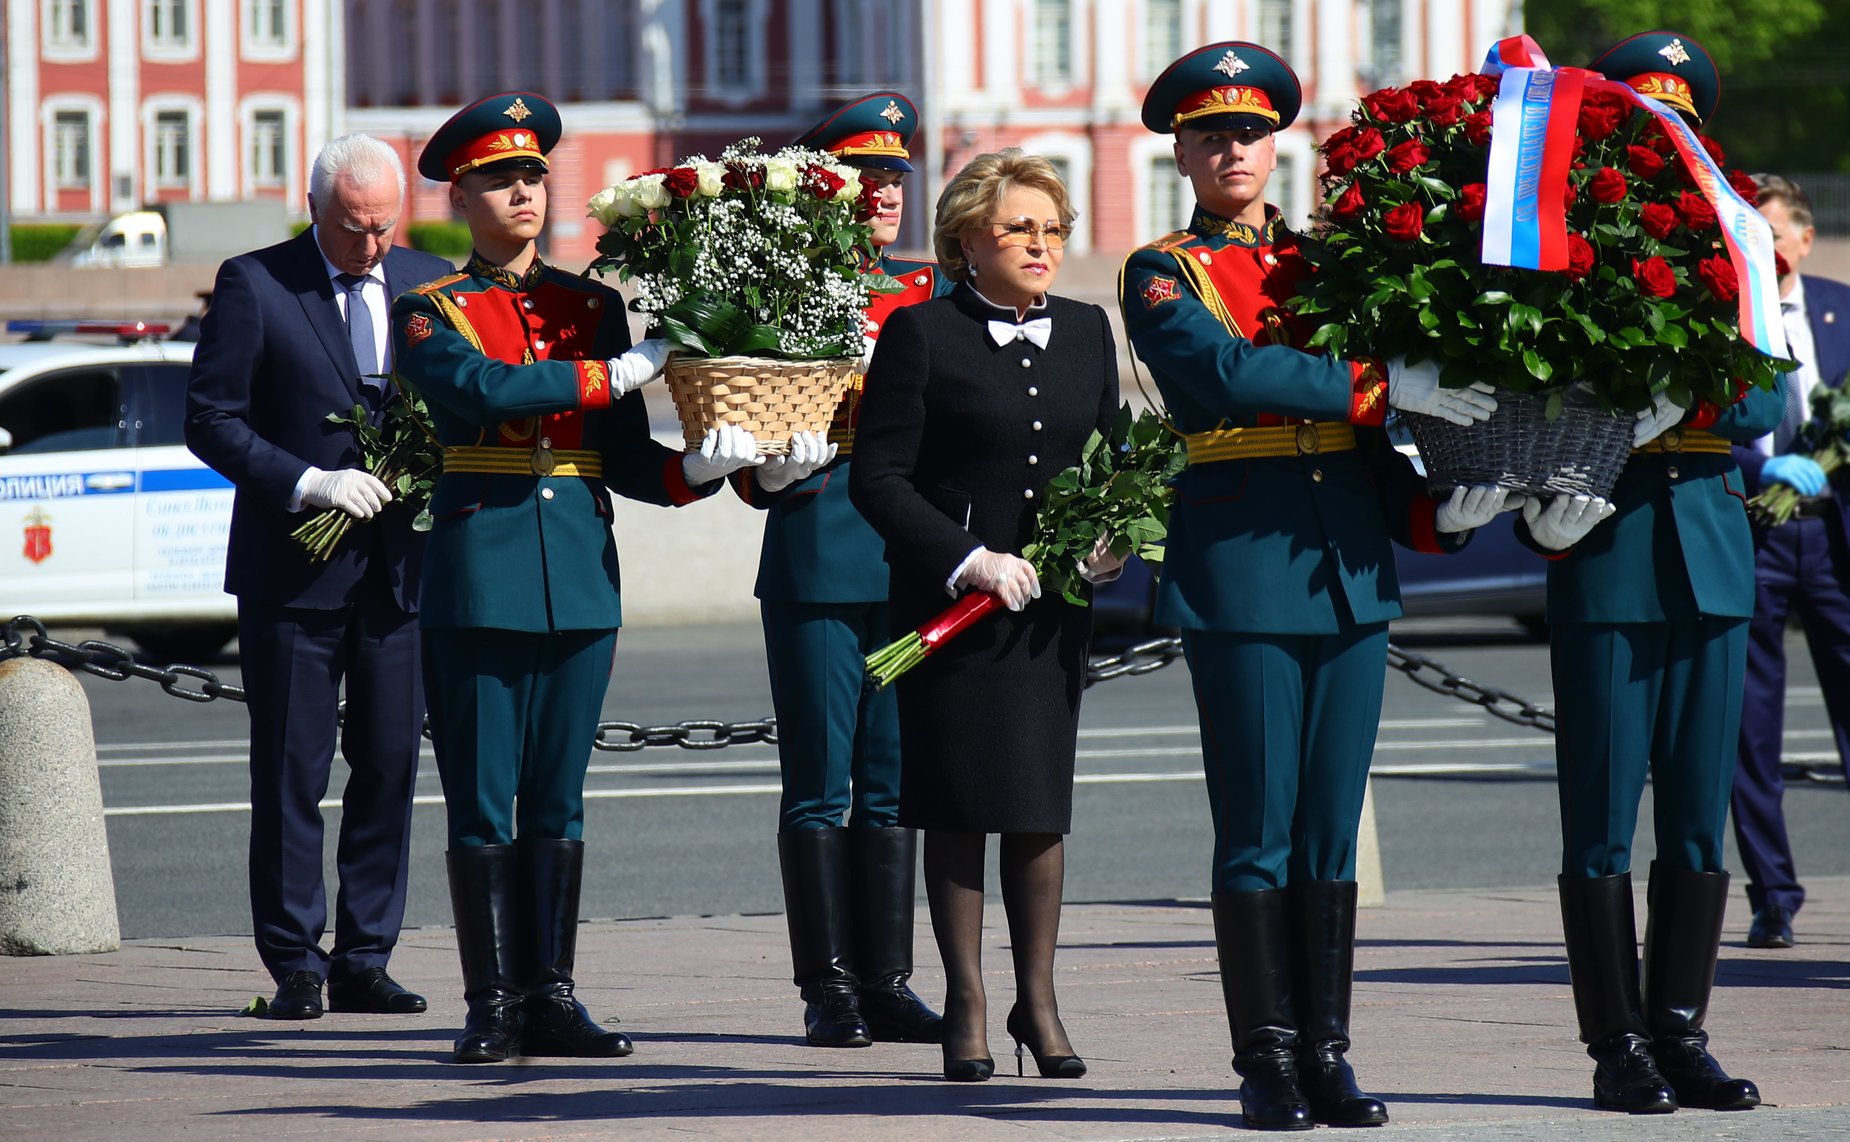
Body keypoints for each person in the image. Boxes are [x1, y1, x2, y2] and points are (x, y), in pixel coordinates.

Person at [1120, 43, 1513, 1130]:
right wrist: (1383, 384)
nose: (1231, 150)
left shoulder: (1327, 261)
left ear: (1273, 145)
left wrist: (1442, 514)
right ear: (1182, 153)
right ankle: (1265, 1056)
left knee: (1328, 833)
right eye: (1209, 135)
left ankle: (1327, 1050)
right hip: (1240, 571)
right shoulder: (1161, 270)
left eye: (1247, 133)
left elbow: (1371, 451)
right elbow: (1227, 374)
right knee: (1255, 828)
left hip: (1344, 570)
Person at [391, 92, 762, 1065]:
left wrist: (712, 465)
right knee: (481, 799)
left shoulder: (590, 307)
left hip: (580, 580)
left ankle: (549, 991)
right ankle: (488, 1001)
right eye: (500, 178)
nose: (523, 190)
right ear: (460, 195)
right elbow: (484, 395)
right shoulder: (431, 313)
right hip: (481, 575)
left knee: (557, 798)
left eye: (532, 175)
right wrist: (616, 372)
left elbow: (628, 457)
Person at [1519, 30, 1778, 1115]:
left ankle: (1679, 1027)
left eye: (1676, 119)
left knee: (1689, 817)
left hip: (1707, 553)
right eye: (1639, 118)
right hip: (1608, 540)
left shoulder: (1732, 243)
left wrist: (1686, 395)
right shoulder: (1558, 239)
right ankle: (1612, 1039)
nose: (1662, 139)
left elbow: (1766, 400)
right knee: (1597, 814)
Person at [851, 149, 1125, 1084]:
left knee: (1040, 810)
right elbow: (878, 480)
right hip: (954, 613)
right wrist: (968, 560)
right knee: (961, 805)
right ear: (970, 237)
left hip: (1053, 614)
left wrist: (1112, 543)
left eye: (1053, 230)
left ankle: (1037, 999)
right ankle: (966, 1001)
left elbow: (1114, 465)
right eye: (1020, 228)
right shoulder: (921, 334)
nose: (1041, 246)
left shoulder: (1091, 329)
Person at [184, 135, 453, 1020]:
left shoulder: (433, 279)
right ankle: (296, 961)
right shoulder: (256, 283)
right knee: (291, 773)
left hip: (397, 577)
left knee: (387, 769)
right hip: (292, 576)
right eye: (352, 230)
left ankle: (366, 956)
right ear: (316, 211)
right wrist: (309, 482)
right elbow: (211, 420)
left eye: (383, 227)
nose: (371, 246)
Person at [732, 91, 953, 1049]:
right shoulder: (772, 291)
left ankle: (889, 980)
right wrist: (772, 459)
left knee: (893, 779)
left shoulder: (931, 291)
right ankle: (828, 987)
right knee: (821, 782)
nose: (882, 196)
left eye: (895, 179)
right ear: (823, 189)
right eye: (863, 178)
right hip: (819, 558)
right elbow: (738, 448)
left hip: (907, 568)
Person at [1728, 173, 1850, 951]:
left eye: (1773, 236)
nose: (1765, 252)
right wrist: (1754, 466)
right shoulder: (1729, 318)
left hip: (1834, 536)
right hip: (1754, 531)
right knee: (1748, 729)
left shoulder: (1841, 311)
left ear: (1803, 239)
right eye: (1751, 238)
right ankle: (1773, 895)